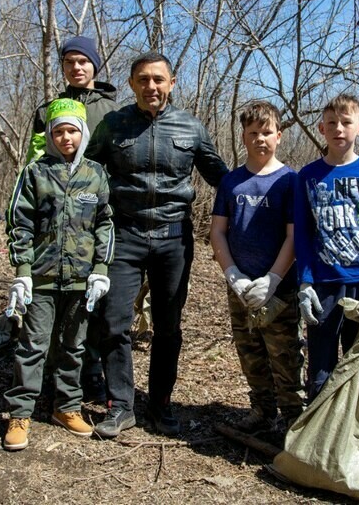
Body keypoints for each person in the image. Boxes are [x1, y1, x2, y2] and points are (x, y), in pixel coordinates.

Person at [86, 52, 228, 438]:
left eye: (158, 79)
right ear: (131, 84)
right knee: (114, 323)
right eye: (143, 80)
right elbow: (87, 172)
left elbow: (222, 178)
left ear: (171, 82)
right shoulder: (113, 125)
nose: (151, 87)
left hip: (173, 240)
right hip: (124, 235)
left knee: (168, 327)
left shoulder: (191, 127)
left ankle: (161, 404)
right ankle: (121, 406)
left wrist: (263, 193)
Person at [2, 98, 115, 451]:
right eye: (59, 131)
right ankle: (20, 413)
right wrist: (22, 272)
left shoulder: (96, 174)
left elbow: (106, 223)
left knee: (73, 346)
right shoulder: (35, 172)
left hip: (82, 281)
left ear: (83, 133)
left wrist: (100, 269)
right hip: (42, 278)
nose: (66, 138)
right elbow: (19, 223)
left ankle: (66, 406)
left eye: (73, 131)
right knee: (33, 346)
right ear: (50, 135)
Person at [24, 36, 119, 404]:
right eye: (69, 62)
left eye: (83, 61)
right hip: (53, 223)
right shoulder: (47, 110)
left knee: (93, 298)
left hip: (96, 214)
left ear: (94, 65)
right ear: (62, 67)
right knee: (53, 295)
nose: (77, 68)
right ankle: (51, 367)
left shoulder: (112, 110)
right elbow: (34, 163)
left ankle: (90, 371)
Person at [210, 100, 305, 433]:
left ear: (279, 136)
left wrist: (273, 278)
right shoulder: (231, 182)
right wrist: (232, 274)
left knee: (284, 354)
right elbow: (217, 231)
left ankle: (293, 418)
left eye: (267, 132)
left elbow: (295, 237)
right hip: (240, 286)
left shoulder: (290, 181)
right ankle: (262, 410)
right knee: (249, 349)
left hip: (279, 287)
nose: (260, 139)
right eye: (253, 133)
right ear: (243, 136)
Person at [294, 94, 359, 401]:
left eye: (346, 122)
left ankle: (350, 439)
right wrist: (305, 282)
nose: (339, 129)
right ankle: (317, 439)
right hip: (324, 285)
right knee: (321, 368)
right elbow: (303, 233)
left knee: (357, 364)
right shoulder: (308, 176)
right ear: (321, 129)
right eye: (332, 123)